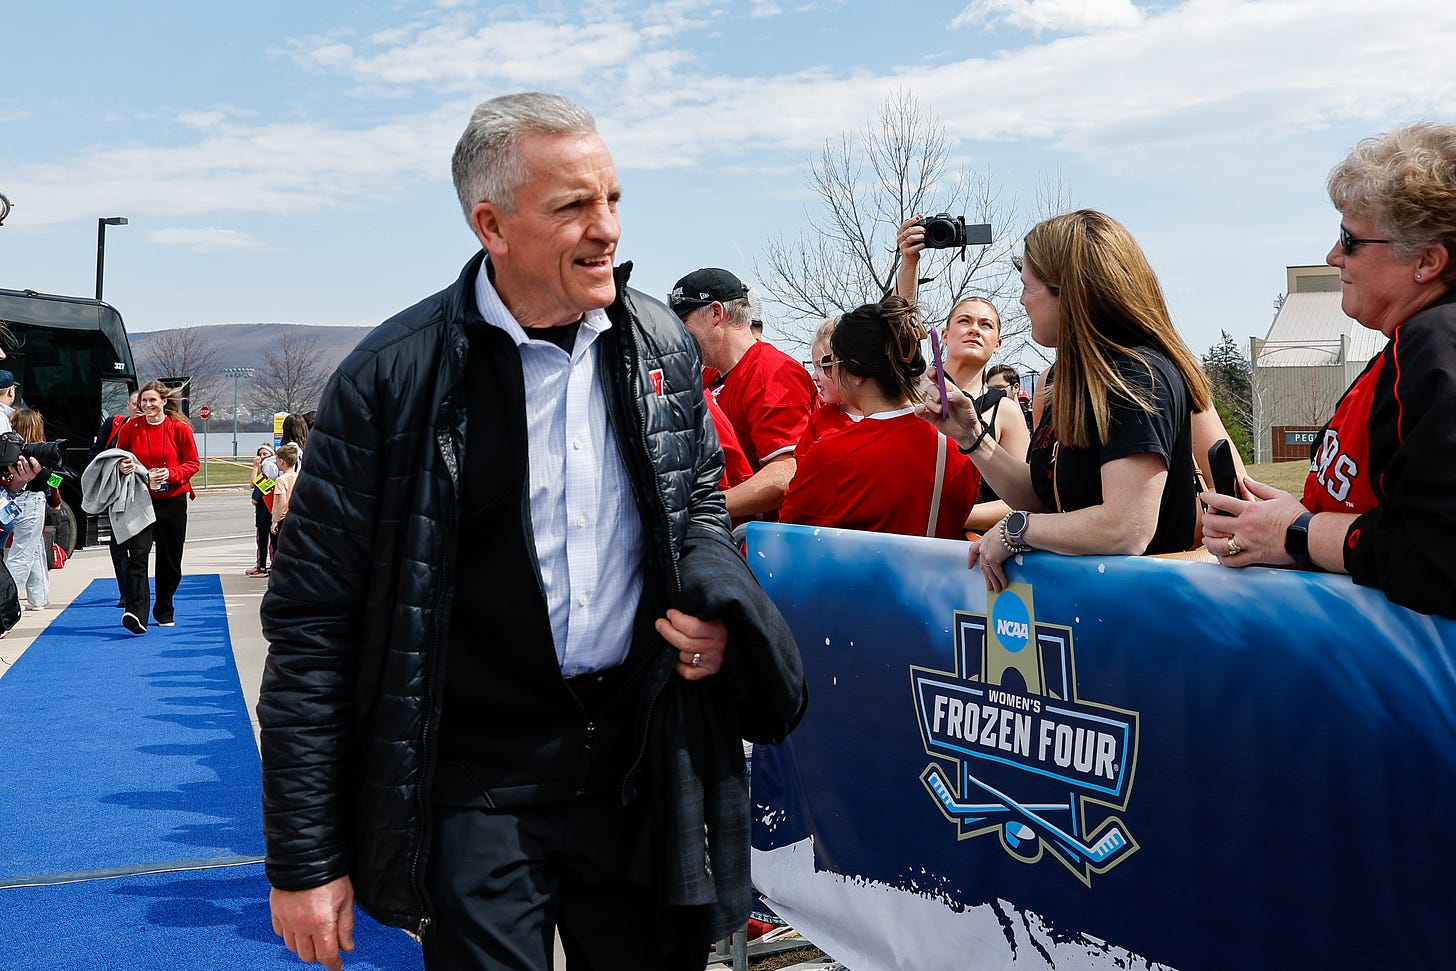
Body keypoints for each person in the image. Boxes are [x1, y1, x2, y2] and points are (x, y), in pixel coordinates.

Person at [257, 92, 805, 971]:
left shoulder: (660, 341)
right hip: (475, 783)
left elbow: (698, 495)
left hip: (639, 764)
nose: (608, 229)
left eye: (614, 199)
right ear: (492, 225)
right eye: (573, 206)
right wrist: (305, 858)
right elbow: (314, 626)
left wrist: (712, 607)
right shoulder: (390, 381)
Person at [1203, 123, 1456, 619]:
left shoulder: (1436, 346)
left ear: (1427, 260)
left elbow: (1439, 555)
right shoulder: (1409, 345)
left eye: (1350, 239)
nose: (1333, 256)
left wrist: (1294, 533)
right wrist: (1293, 517)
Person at [922, 209, 1215, 593]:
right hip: (1088, 607)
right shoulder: (1064, 377)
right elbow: (1047, 499)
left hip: (1143, 612)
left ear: (1071, 293)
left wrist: (1017, 529)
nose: (1022, 301)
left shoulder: (1135, 374)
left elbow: (1125, 528)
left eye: (1029, 287)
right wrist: (973, 437)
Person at [780, 296, 981, 539]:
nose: (829, 372)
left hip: (860, 577)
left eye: (834, 363)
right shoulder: (960, 446)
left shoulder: (834, 454)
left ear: (855, 372)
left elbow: (787, 536)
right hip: (941, 575)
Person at [896, 220, 1032, 536]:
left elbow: (1023, 497)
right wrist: (909, 262)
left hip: (973, 553)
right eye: (964, 321)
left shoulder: (1006, 410)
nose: (974, 328)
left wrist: (954, 514)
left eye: (986, 325)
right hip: (907, 540)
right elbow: (902, 321)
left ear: (998, 344)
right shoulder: (916, 388)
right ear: (944, 334)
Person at [669, 267, 820, 520]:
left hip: (768, 546)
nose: (679, 334)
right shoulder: (711, 376)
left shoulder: (771, 372)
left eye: (684, 322)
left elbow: (787, 473)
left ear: (716, 313)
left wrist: (702, 509)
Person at [115, 380, 199, 632]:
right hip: (140, 499)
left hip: (172, 501)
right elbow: (118, 457)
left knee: (169, 560)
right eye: (144, 401)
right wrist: (123, 467)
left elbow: (193, 463)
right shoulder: (131, 428)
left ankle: (164, 608)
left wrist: (171, 473)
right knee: (137, 556)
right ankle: (136, 612)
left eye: (153, 400)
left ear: (163, 401)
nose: (148, 405)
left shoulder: (179, 428)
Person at [90, 390, 142, 606]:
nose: (140, 407)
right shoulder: (114, 424)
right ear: (127, 405)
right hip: (116, 494)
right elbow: (96, 453)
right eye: (135, 403)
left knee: (140, 545)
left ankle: (139, 591)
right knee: (118, 543)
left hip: (142, 494)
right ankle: (125, 592)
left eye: (144, 403)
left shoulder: (152, 431)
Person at [795, 315, 859, 462]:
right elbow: (801, 475)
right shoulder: (819, 421)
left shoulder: (887, 415)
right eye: (814, 366)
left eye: (822, 366)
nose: (814, 377)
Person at [6, 409, 52, 609]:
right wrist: (56, 499)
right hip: (32, 500)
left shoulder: (8, 448)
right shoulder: (40, 451)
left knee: (35, 548)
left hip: (10, 498)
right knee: (23, 551)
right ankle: (7, 601)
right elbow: (50, 478)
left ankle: (39, 596)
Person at [268, 444, 298, 552]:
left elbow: (281, 501)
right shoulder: (298, 477)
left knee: (280, 549)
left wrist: (276, 520)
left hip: (283, 519)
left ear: (281, 461)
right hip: (296, 517)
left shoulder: (281, 480)